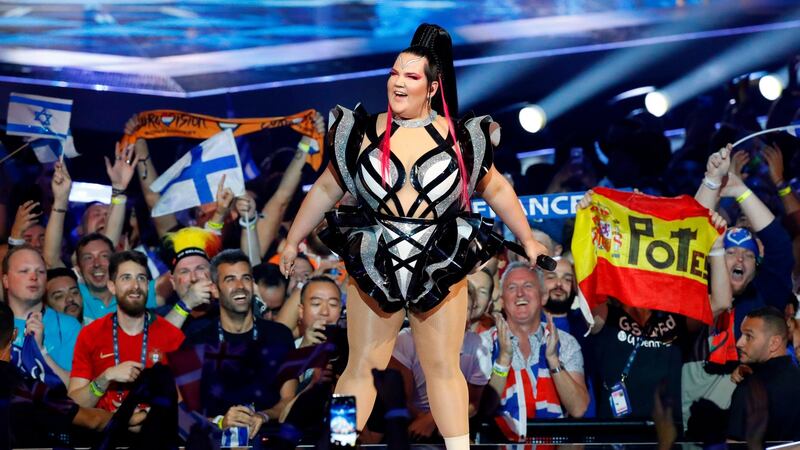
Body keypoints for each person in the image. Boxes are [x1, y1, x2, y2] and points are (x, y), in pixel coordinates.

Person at [280, 23, 548, 449]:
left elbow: (494, 188)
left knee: (441, 365)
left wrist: (528, 240)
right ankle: (339, 443)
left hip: (439, 258)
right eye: (394, 72)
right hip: (376, 256)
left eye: (411, 76)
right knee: (361, 364)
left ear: (432, 86)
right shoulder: (363, 132)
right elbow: (328, 188)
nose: (398, 82)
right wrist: (293, 240)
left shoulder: (460, 139)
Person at [181, 249, 297, 436]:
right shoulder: (195, 343)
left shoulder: (279, 336)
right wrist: (219, 422)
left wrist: (263, 415)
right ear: (214, 289)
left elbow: (289, 399)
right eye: (230, 279)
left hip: (268, 441)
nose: (240, 286)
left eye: (246, 278)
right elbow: (182, 413)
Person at [484, 262, 589, 441]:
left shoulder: (565, 342)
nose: (520, 293)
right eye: (511, 287)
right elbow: (481, 409)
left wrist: (553, 360)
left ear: (543, 297)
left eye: (528, 286)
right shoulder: (485, 343)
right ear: (502, 300)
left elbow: (578, 409)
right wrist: (503, 359)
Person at [68, 251, 184, 411]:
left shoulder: (173, 336)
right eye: (126, 278)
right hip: (105, 431)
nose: (135, 286)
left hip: (154, 432)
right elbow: (74, 405)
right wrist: (105, 378)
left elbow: (185, 407)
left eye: (141, 278)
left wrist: (153, 411)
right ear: (112, 286)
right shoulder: (90, 334)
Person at [2, 244, 81, 385]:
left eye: (41, 272)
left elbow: (75, 390)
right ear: (6, 281)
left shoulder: (68, 326)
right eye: (24, 271)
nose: (34, 277)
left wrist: (41, 351)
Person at [728, 307, 800, 442]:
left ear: (774, 343)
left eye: (749, 336)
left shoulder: (750, 389)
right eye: (741, 335)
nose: (739, 343)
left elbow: (735, 445)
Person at [297, 275, 343, 348]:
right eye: (316, 303)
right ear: (301, 311)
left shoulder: (353, 348)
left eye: (332, 304)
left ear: (340, 310)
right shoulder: (288, 349)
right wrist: (304, 349)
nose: (325, 312)